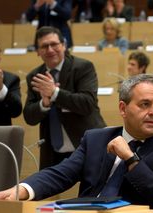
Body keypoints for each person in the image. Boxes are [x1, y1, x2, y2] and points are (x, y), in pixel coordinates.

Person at [0, 74, 153, 210]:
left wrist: (130, 158)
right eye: (145, 104)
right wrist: (22, 190)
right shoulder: (96, 138)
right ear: (123, 108)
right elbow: (61, 174)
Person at [24, 26, 106, 169]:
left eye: (54, 44)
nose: (50, 50)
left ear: (64, 45)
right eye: (44, 46)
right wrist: (44, 104)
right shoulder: (35, 76)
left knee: (92, 191)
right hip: (53, 149)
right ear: (37, 51)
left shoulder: (82, 67)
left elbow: (87, 103)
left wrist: (55, 93)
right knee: (48, 189)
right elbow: (29, 117)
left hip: (86, 141)